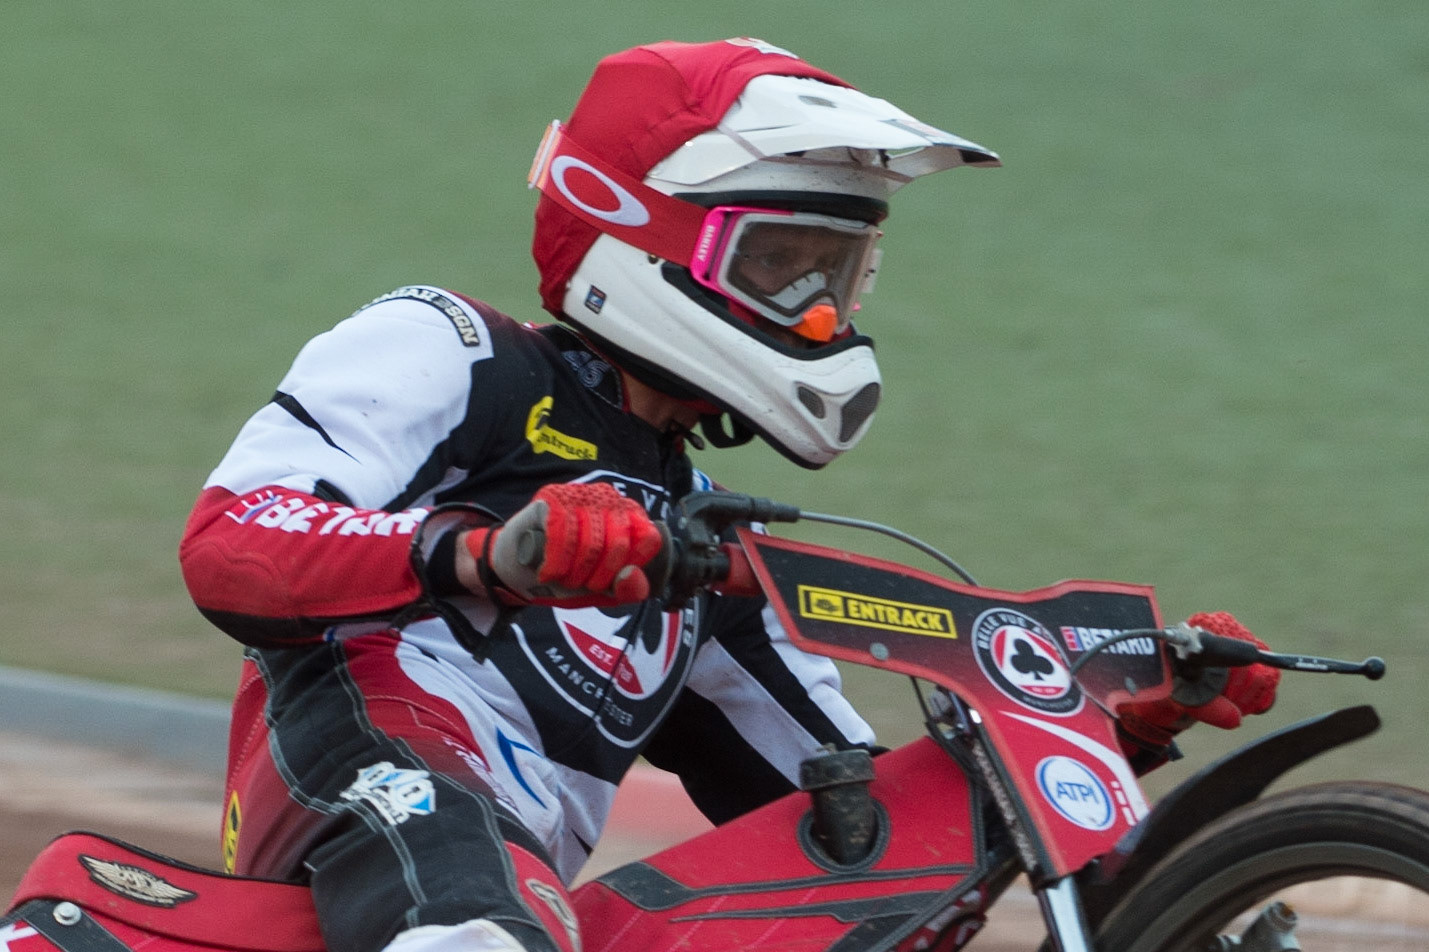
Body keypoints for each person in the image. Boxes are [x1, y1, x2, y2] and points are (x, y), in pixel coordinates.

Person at [179, 37, 1280, 952]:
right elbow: (232, 543)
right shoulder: (455, 349)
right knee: (474, 900)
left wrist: (1106, 729)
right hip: (366, 814)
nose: (817, 314)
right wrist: (489, 554)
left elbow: (856, 828)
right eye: (778, 266)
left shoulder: (704, 547)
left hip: (527, 903)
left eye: (835, 273)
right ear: (639, 232)